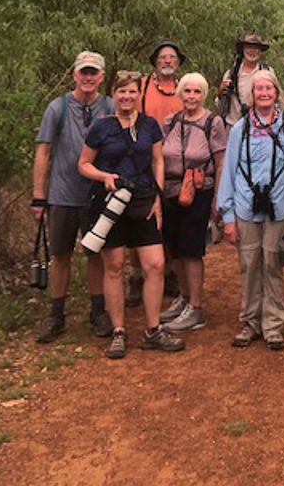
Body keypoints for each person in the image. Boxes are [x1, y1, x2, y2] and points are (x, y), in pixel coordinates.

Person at [78, 70, 185, 358]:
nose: (127, 96)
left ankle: (152, 330)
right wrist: (104, 176)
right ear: (113, 94)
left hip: (143, 201)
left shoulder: (150, 125)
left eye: (132, 91)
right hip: (110, 205)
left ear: (140, 94)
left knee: (155, 265)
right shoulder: (101, 127)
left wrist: (158, 198)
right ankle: (118, 331)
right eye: (121, 91)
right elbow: (83, 164)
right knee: (113, 267)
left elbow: (158, 161)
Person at [217, 69, 284, 351]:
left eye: (269, 88)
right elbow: (228, 172)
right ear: (251, 95)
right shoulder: (240, 130)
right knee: (249, 264)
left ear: (276, 92)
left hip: (278, 207)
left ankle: (273, 325)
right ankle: (250, 321)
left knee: (272, 264)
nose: (264, 94)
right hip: (245, 207)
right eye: (259, 89)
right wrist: (227, 216)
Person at [31, 51, 115, 343]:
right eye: (84, 72)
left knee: (96, 255)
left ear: (102, 76)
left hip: (97, 196)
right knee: (60, 256)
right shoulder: (58, 108)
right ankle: (56, 316)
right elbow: (43, 152)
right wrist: (39, 197)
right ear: (75, 75)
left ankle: (98, 311)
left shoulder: (111, 107)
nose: (88, 78)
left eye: (94, 73)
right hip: (62, 194)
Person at [159, 73, 227, 332]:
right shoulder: (171, 121)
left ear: (204, 94)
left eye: (197, 92)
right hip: (170, 191)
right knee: (174, 247)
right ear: (180, 93)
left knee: (191, 249)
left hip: (200, 190)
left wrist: (219, 198)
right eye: (187, 91)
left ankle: (196, 308)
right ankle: (185, 298)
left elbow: (220, 163)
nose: (191, 96)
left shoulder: (213, 122)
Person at [126, 39, 186, 306]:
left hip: (175, 164)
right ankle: (137, 276)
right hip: (142, 161)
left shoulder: (185, 89)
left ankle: (170, 272)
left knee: (170, 221)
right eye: (162, 57)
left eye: (172, 57)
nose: (167, 61)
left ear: (178, 62)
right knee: (139, 220)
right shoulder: (142, 87)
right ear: (154, 61)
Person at [216, 33, 274, 127]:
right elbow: (220, 102)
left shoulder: (268, 72)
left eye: (256, 48)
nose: (252, 51)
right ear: (243, 50)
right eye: (249, 47)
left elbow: (276, 99)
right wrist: (221, 90)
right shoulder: (231, 74)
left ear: (260, 51)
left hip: (261, 127)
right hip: (233, 126)